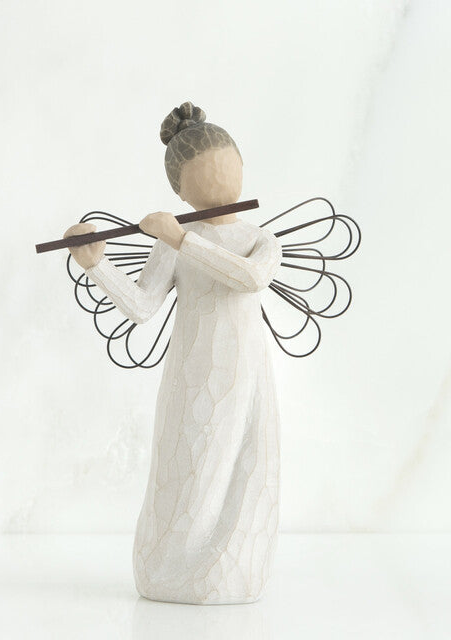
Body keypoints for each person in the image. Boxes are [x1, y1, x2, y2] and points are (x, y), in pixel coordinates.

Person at [64, 102, 282, 604]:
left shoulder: (258, 239)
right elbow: (141, 306)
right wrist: (96, 265)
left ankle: (236, 570)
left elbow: (252, 278)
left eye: (229, 169)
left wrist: (183, 238)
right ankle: (166, 570)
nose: (221, 183)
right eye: (205, 177)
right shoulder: (172, 243)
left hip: (247, 377)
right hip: (191, 373)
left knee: (244, 469)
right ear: (180, 192)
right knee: (186, 471)